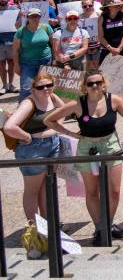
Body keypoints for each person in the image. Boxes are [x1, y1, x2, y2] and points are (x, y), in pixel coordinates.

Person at [44, 71, 123, 243]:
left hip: (110, 145)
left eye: (98, 82)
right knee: (92, 191)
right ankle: (100, 229)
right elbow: (49, 120)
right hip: (87, 147)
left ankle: (106, 225)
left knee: (114, 191)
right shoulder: (77, 103)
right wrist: (69, 133)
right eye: (90, 83)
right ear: (84, 86)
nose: (94, 86)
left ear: (104, 83)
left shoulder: (113, 100)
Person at [3, 71, 63, 228]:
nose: (46, 89)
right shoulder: (29, 103)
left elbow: (65, 110)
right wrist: (26, 137)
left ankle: (49, 227)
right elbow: (9, 127)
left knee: (46, 187)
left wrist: (56, 127)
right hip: (33, 149)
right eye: (41, 86)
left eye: (49, 85)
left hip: (52, 145)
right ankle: (35, 230)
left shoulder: (52, 96)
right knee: (32, 191)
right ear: (33, 88)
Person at [12, 8, 54, 101]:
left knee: (45, 87)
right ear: (28, 18)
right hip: (27, 63)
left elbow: (53, 44)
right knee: (26, 89)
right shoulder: (21, 31)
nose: (35, 18)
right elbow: (15, 50)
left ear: (40, 17)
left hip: (45, 61)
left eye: (37, 16)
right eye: (32, 16)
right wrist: (16, 65)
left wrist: (54, 60)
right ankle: (25, 112)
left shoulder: (46, 27)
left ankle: (44, 109)